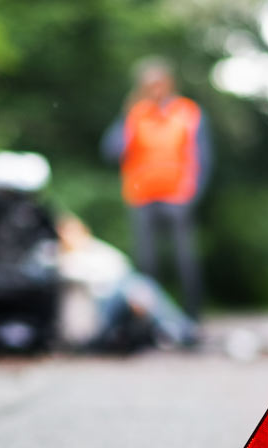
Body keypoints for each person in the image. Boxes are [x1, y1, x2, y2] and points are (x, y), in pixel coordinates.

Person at [101, 57, 213, 320]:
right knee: (147, 262)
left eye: (159, 83)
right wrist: (125, 117)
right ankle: (152, 320)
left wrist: (193, 192)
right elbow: (111, 151)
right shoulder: (135, 114)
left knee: (185, 260)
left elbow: (203, 156)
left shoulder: (188, 112)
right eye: (149, 85)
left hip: (177, 196)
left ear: (169, 83)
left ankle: (192, 318)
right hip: (141, 196)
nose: (155, 89)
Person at [56, 215, 197, 352]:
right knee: (136, 285)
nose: (72, 236)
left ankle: (173, 328)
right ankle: (177, 328)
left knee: (139, 284)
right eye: (67, 232)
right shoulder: (60, 258)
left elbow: (122, 266)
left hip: (119, 296)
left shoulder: (96, 249)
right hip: (101, 307)